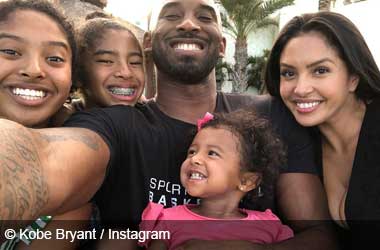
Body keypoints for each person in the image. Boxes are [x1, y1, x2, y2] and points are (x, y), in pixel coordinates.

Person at [0, 1, 338, 249]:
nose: (189, 24)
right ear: (148, 41)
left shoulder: (272, 114)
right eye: (172, 15)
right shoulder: (114, 122)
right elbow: (42, 158)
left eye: (204, 16)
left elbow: (321, 235)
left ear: (222, 45)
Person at [264, 11, 380, 247]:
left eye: (320, 70)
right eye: (289, 73)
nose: (301, 88)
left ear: (353, 77)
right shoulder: (292, 141)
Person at [0, 0, 92, 249]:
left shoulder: (76, 185)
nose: (34, 70)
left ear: (74, 77)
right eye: (10, 51)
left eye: (54, 58)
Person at [139, 110, 294, 249]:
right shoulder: (168, 219)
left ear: (247, 181)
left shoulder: (269, 225)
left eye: (212, 153)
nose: (195, 159)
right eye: (192, 152)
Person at [76, 17, 145, 108]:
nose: (126, 73)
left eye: (134, 62)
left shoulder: (151, 117)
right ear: (77, 72)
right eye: (107, 61)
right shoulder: (66, 120)